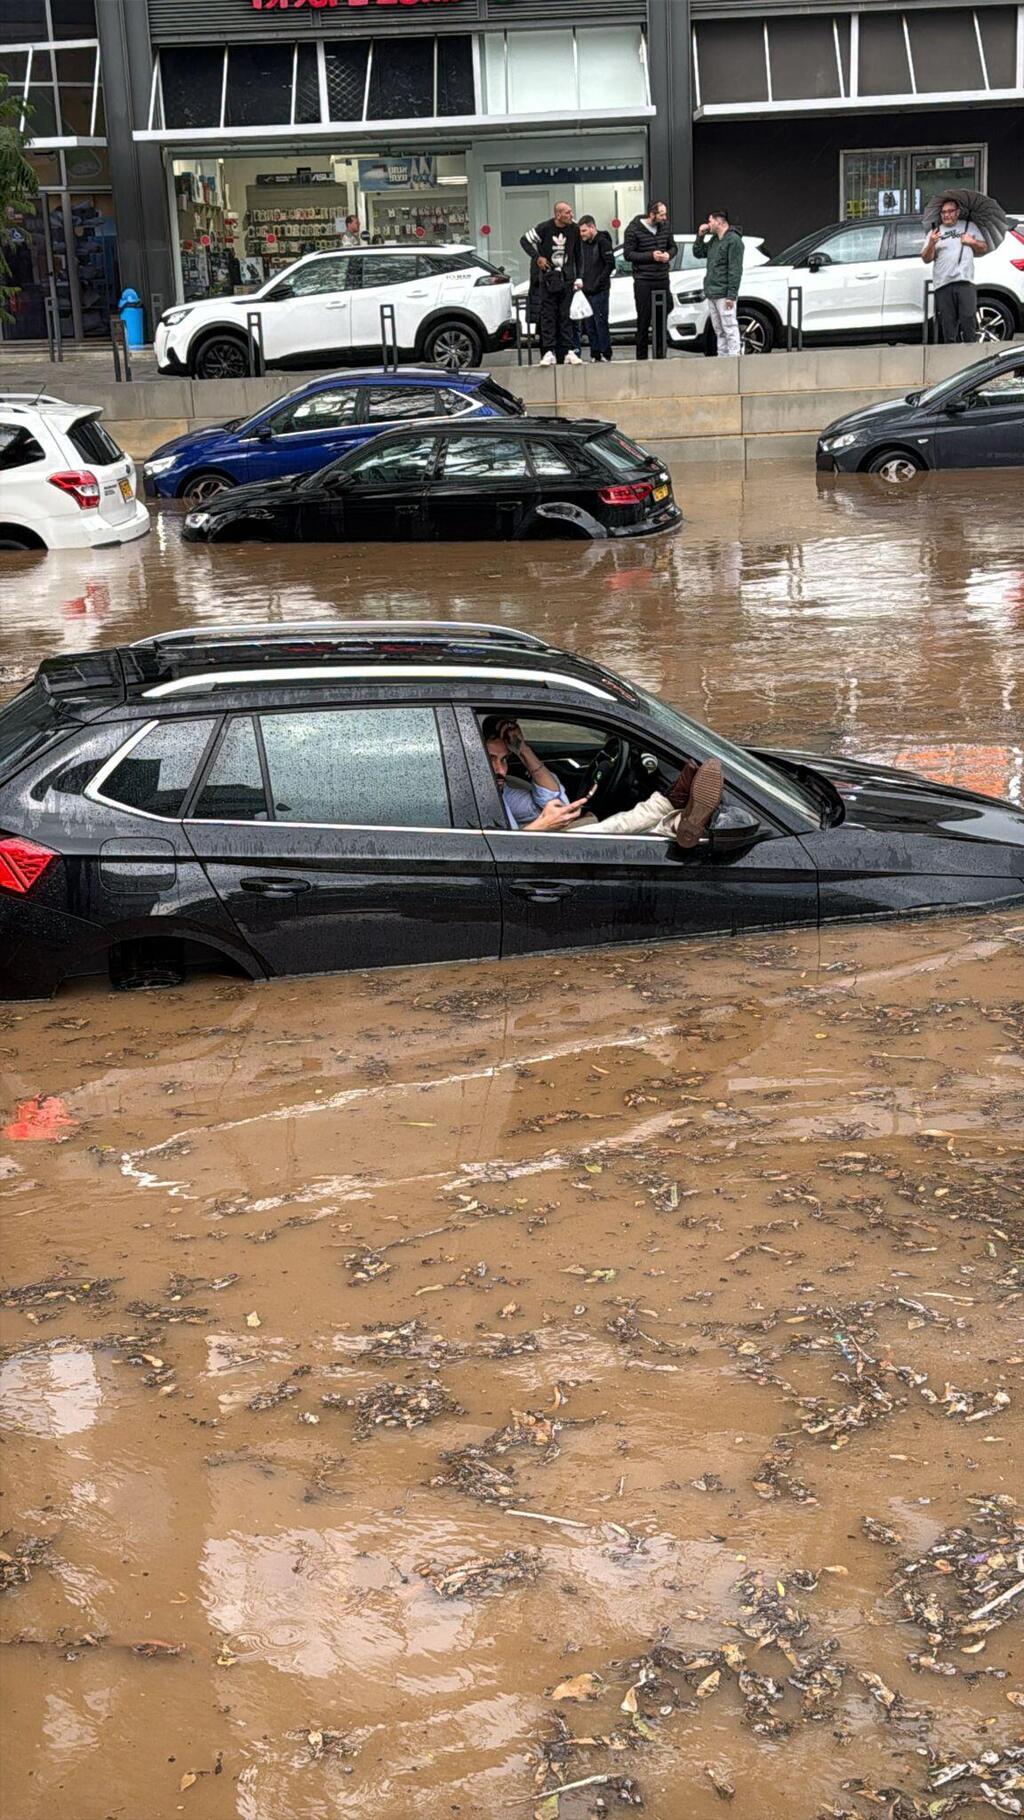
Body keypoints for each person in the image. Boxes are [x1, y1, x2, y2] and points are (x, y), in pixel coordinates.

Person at [483, 718, 723, 850]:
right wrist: (540, 828)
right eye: (491, 759)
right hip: (520, 860)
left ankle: (671, 809)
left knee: (611, 827)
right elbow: (493, 850)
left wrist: (522, 749)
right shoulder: (459, 794)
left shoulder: (498, 791)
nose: (502, 769)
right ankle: (673, 817)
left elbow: (554, 801)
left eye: (505, 759)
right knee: (612, 834)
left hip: (524, 848)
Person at [520, 203, 583, 367]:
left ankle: (569, 351)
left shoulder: (574, 229)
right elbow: (525, 240)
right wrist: (537, 257)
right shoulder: (544, 228)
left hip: (567, 278)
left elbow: (579, 255)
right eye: (568, 212)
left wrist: (579, 277)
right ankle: (548, 351)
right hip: (548, 278)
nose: (571, 215)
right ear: (558, 214)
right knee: (548, 315)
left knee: (566, 315)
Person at [922, 198, 987, 344]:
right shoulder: (935, 232)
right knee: (948, 324)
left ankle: (971, 351)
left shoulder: (969, 227)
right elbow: (926, 258)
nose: (946, 215)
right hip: (943, 284)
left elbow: (983, 248)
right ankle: (952, 353)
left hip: (964, 282)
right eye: (943, 212)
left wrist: (972, 242)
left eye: (950, 211)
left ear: (957, 212)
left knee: (968, 318)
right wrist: (932, 243)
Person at [622, 201, 673, 360]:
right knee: (643, 320)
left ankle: (660, 355)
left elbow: (673, 246)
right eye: (662, 214)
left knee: (661, 318)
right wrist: (651, 256)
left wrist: (668, 255)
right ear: (652, 214)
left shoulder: (665, 227)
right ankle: (642, 358)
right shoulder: (633, 229)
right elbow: (628, 254)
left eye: (665, 214)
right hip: (643, 279)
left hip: (662, 278)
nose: (665, 217)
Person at [693, 209, 744, 357]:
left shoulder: (734, 240)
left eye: (710, 221)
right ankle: (722, 356)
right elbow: (698, 252)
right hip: (712, 291)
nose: (708, 224)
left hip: (724, 292)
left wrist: (731, 295)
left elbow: (735, 269)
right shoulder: (715, 240)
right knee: (719, 329)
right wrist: (700, 236)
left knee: (729, 326)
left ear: (719, 221)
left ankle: (734, 356)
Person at [574, 216, 615, 362]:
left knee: (600, 322)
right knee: (589, 325)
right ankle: (595, 353)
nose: (582, 234)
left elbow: (610, 264)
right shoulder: (583, 244)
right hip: (586, 290)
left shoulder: (603, 242)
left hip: (600, 290)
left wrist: (598, 283)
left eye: (584, 230)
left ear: (592, 227)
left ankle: (605, 353)